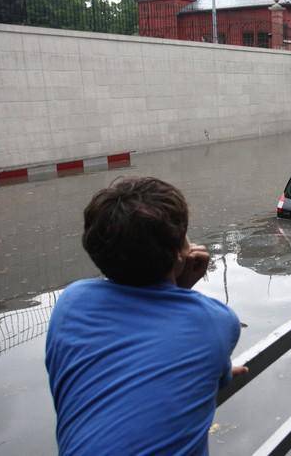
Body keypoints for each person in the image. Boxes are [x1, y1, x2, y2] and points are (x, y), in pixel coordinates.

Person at [45, 177, 245, 454]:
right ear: (180, 255)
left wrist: (175, 287)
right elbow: (210, 372)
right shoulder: (214, 321)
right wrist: (178, 288)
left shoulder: (70, 303)